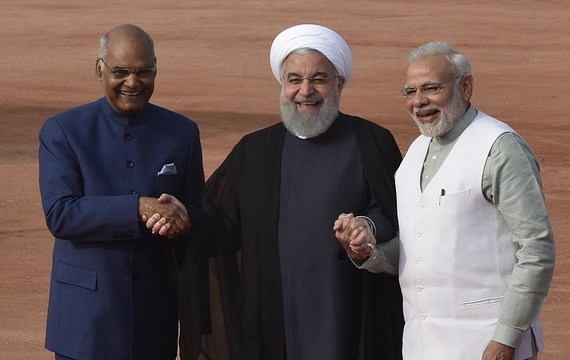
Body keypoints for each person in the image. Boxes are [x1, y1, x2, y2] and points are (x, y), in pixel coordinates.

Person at [149, 24, 404, 359]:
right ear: (282, 84)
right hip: (272, 315)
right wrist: (185, 220)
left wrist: (366, 229)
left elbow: (393, 210)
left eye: (320, 79)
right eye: (294, 79)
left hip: (348, 309)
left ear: (339, 83)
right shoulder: (254, 150)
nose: (306, 90)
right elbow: (221, 222)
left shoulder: (371, 141)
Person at [335, 41, 556, 360]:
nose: (419, 101)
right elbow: (418, 247)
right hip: (421, 346)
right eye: (409, 92)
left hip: (486, 345)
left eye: (431, 88)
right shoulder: (414, 154)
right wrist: (367, 251)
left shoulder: (499, 148)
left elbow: (537, 249)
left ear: (466, 87)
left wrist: (504, 340)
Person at [38, 24, 208, 360]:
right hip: (85, 320)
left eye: (144, 71)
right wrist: (138, 208)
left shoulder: (182, 133)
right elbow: (61, 214)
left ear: (156, 69)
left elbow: (196, 221)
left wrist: (184, 221)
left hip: (154, 315)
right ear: (99, 69)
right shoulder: (64, 131)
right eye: (121, 72)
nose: (132, 82)